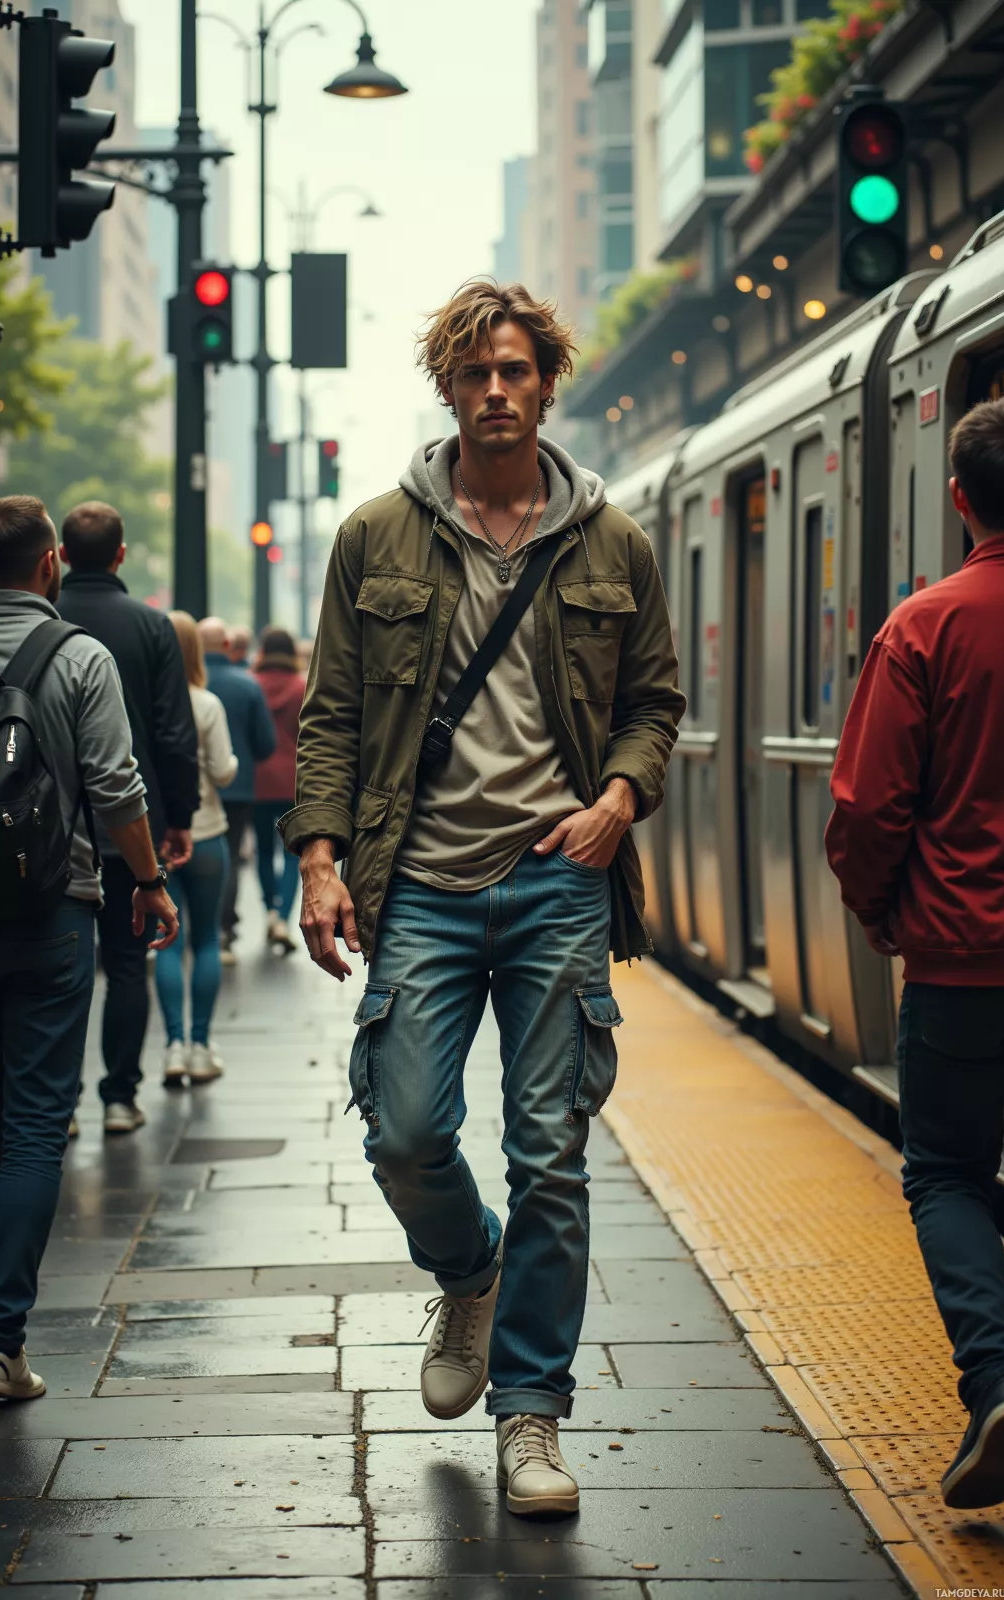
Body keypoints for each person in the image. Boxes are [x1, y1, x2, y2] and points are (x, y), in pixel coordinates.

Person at [280, 280, 684, 1516]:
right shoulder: (375, 537)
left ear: (545, 382)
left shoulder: (611, 541)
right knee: (404, 1131)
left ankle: (531, 1417)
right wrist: (318, 857)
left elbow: (654, 704)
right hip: (424, 888)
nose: (496, 390)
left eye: (515, 370)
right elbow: (335, 713)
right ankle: (469, 1269)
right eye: (475, 373)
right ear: (447, 386)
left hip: (559, 880)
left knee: (549, 1154)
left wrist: (618, 799)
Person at [826, 396, 1004, 1511]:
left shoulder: (926, 626)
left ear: (957, 498)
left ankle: (994, 1384)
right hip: (954, 949)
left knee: (945, 1167)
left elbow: (867, 810)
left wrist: (882, 914)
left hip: (958, 957)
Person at [0, 495, 179, 1401]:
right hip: (52, 909)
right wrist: (147, 879)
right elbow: (116, 783)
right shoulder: (80, 656)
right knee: (31, 1127)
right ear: (49, 563)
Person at [56, 501, 198, 1135]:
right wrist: (179, 816)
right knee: (124, 965)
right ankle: (118, 1096)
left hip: (47, 832)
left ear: (60, 555)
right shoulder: (150, 626)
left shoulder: (46, 623)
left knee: (53, 969)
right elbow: (172, 731)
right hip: (129, 828)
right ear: (119, 555)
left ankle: (56, 1106)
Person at [155, 613, 237, 1086]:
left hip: (157, 840)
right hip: (206, 832)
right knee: (205, 937)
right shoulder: (207, 704)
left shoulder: (145, 704)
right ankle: (202, 1046)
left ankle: (173, 1047)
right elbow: (225, 772)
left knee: (167, 939)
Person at [199, 617, 275, 963]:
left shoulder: (181, 686)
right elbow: (265, 743)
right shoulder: (247, 685)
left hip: (191, 789)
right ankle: (224, 929)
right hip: (239, 787)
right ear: (227, 646)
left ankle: (196, 926)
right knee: (228, 856)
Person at [253, 626, 305, 952]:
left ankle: (270, 910)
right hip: (291, 783)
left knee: (262, 851)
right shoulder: (302, 688)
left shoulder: (251, 684)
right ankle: (282, 918)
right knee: (292, 854)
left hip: (256, 783)